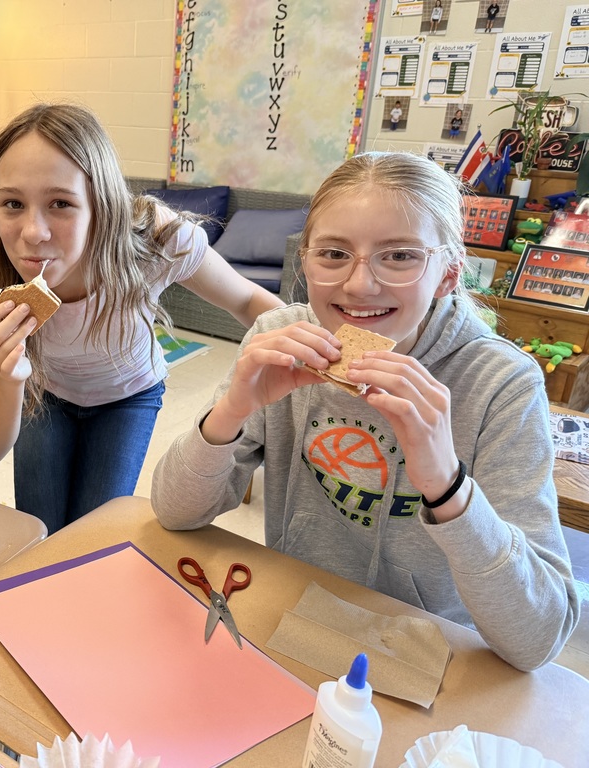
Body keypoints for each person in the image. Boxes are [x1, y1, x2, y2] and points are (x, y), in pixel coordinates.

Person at [151, 151, 579, 671]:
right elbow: (174, 513)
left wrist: (447, 485)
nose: (358, 285)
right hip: (293, 612)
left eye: (399, 256)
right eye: (333, 254)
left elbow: (538, 641)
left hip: (430, 649)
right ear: (304, 262)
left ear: (447, 273)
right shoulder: (279, 339)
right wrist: (232, 408)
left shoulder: (501, 383)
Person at [0, 102, 283, 534]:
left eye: (60, 203)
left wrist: (325, 353)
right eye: (12, 203)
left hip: (127, 396)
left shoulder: (155, 241)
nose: (33, 233)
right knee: (39, 531)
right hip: (45, 392)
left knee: (94, 535)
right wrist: (6, 378)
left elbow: (246, 302)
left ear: (101, 203)